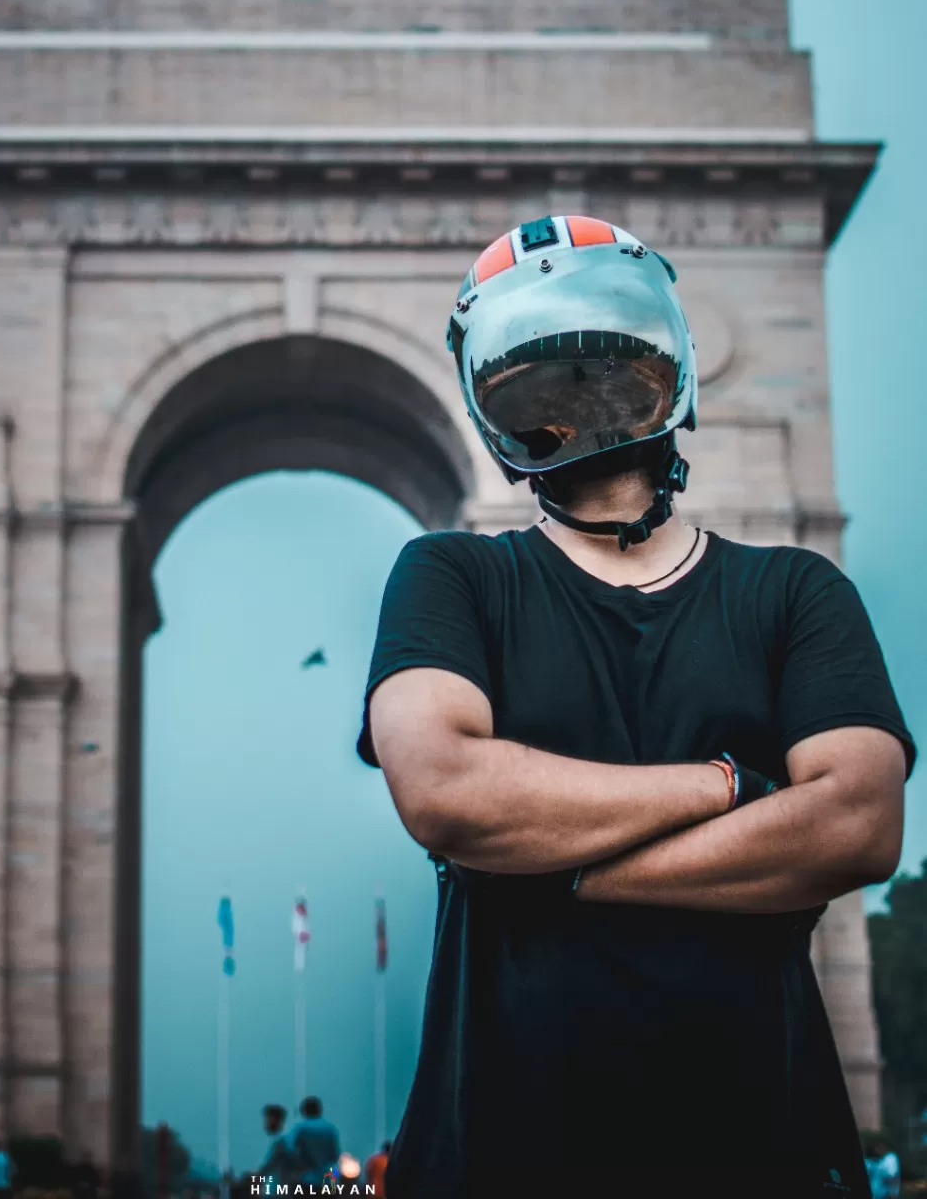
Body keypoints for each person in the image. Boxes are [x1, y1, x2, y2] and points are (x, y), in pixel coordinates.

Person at [358, 215, 915, 1199]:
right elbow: (444, 790)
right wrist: (732, 786)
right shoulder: (450, 576)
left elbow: (858, 824)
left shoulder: (795, 589)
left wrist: (560, 875)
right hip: (502, 1150)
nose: (580, 387)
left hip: (755, 1149)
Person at [289, 1096, 341, 1186]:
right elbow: (335, 1155)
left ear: (304, 1111)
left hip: (306, 1178)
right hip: (328, 1179)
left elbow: (291, 1151)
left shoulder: (301, 1128)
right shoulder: (330, 1129)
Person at [255, 1103, 300, 1188]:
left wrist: (252, 1176)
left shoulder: (279, 1142)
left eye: (267, 1120)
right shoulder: (283, 1140)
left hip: (276, 1190)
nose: (265, 1123)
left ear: (274, 1120)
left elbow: (267, 1167)